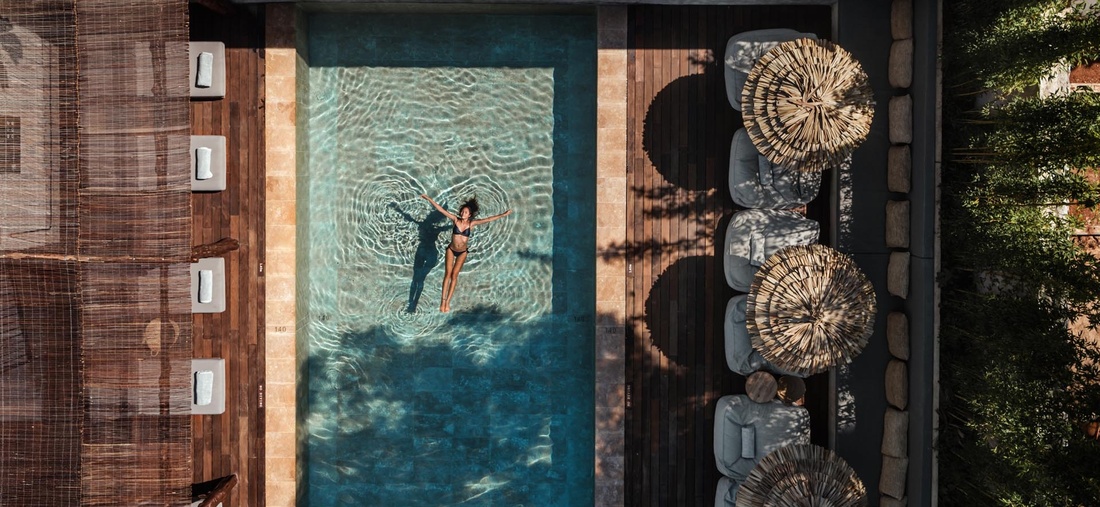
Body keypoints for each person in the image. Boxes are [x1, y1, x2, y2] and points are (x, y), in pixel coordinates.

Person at [420, 194, 513, 312]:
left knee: (454, 276)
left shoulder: (471, 224)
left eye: (466, 212)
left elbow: (488, 219)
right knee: (447, 274)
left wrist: (503, 214)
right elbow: (441, 210)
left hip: (462, 252)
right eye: (462, 211)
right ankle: (442, 301)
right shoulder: (455, 220)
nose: (463, 213)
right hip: (451, 250)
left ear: (469, 215)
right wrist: (429, 198)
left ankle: (448, 302)